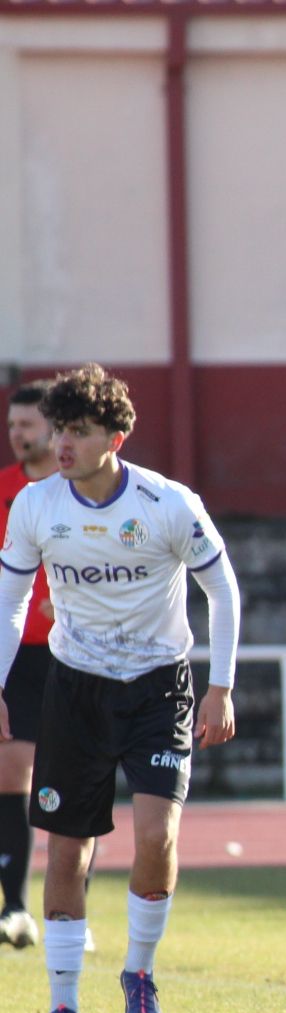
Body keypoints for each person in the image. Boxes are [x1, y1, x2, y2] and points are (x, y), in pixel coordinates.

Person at [0, 364, 241, 1013]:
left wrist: (220, 686)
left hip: (159, 688)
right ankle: (63, 1006)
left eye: (79, 431)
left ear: (118, 438)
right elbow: (11, 602)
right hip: (75, 690)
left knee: (156, 837)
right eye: (60, 430)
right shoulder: (36, 505)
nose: (63, 444)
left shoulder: (168, 504)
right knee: (66, 849)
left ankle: (138, 972)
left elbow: (223, 591)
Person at [0, 382, 58, 947]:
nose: (17, 435)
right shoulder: (2, 492)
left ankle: (72, 910)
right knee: (12, 769)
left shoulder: (76, 492)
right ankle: (14, 906)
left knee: (71, 773)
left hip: (73, 657)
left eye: (27, 425)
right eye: (12, 425)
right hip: (17, 658)